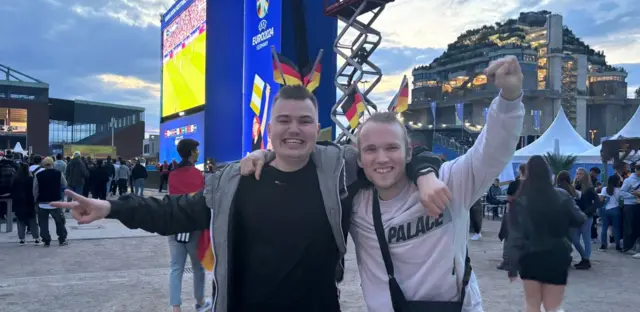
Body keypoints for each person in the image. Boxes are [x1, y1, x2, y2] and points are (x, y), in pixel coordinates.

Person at [52, 85, 439, 312]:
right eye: (284, 120)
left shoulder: (341, 169)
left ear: (316, 128)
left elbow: (399, 151)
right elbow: (177, 212)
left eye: (304, 121)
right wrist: (112, 207)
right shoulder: (235, 180)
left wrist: (425, 175)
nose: (294, 129)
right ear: (268, 128)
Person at [243, 54, 525, 312]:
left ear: (408, 152)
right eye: (371, 150)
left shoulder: (449, 182)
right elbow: (307, 157)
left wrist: (510, 99)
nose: (382, 159)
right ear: (360, 159)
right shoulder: (354, 204)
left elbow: (492, 152)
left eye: (391, 148)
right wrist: (267, 155)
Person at [507, 156, 586, 312]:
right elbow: (580, 219)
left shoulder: (521, 200)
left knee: (531, 304)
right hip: (557, 254)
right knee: (553, 306)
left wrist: (512, 266)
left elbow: (515, 235)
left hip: (529, 256)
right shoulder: (562, 195)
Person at [166, 138, 211, 312]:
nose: (198, 152)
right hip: (194, 226)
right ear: (192, 152)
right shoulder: (198, 175)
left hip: (175, 225)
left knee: (176, 267)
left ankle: (176, 307)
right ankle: (200, 301)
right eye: (196, 150)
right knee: (197, 266)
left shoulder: (173, 174)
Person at [497, 164, 526, 271]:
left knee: (509, 239)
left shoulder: (514, 184)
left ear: (519, 171)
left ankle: (507, 262)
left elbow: (509, 199)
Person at [34, 157, 69, 246]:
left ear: (43, 165)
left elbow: (35, 189)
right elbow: (64, 184)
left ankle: (46, 240)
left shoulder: (38, 175)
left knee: (43, 223)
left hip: (42, 203)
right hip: (56, 202)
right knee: (60, 222)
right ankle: (62, 239)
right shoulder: (58, 174)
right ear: (52, 164)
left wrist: (35, 200)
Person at [571, 167, 598, 270]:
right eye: (577, 174)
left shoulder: (590, 188)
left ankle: (586, 259)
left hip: (586, 217)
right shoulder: (573, 187)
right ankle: (584, 258)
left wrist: (587, 211)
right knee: (575, 239)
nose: (578, 176)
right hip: (576, 217)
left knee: (586, 239)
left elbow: (597, 202)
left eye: (580, 174)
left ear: (585, 176)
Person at [10, 159, 40, 245]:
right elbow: (35, 190)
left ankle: (22, 239)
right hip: (29, 202)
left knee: (21, 221)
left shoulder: (15, 180)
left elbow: (12, 191)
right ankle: (36, 238)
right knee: (33, 220)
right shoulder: (31, 179)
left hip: (19, 203)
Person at [619, 163, 640, 256]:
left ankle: (633, 246)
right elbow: (621, 192)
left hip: (638, 205)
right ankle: (627, 247)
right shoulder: (628, 180)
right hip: (629, 206)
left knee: (636, 226)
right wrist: (633, 195)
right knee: (628, 227)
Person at [598, 174, 622, 251]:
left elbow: (601, 200)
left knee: (604, 227)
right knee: (616, 228)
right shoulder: (618, 190)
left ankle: (603, 245)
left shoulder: (604, 189)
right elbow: (620, 201)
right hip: (616, 210)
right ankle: (618, 246)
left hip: (606, 210)